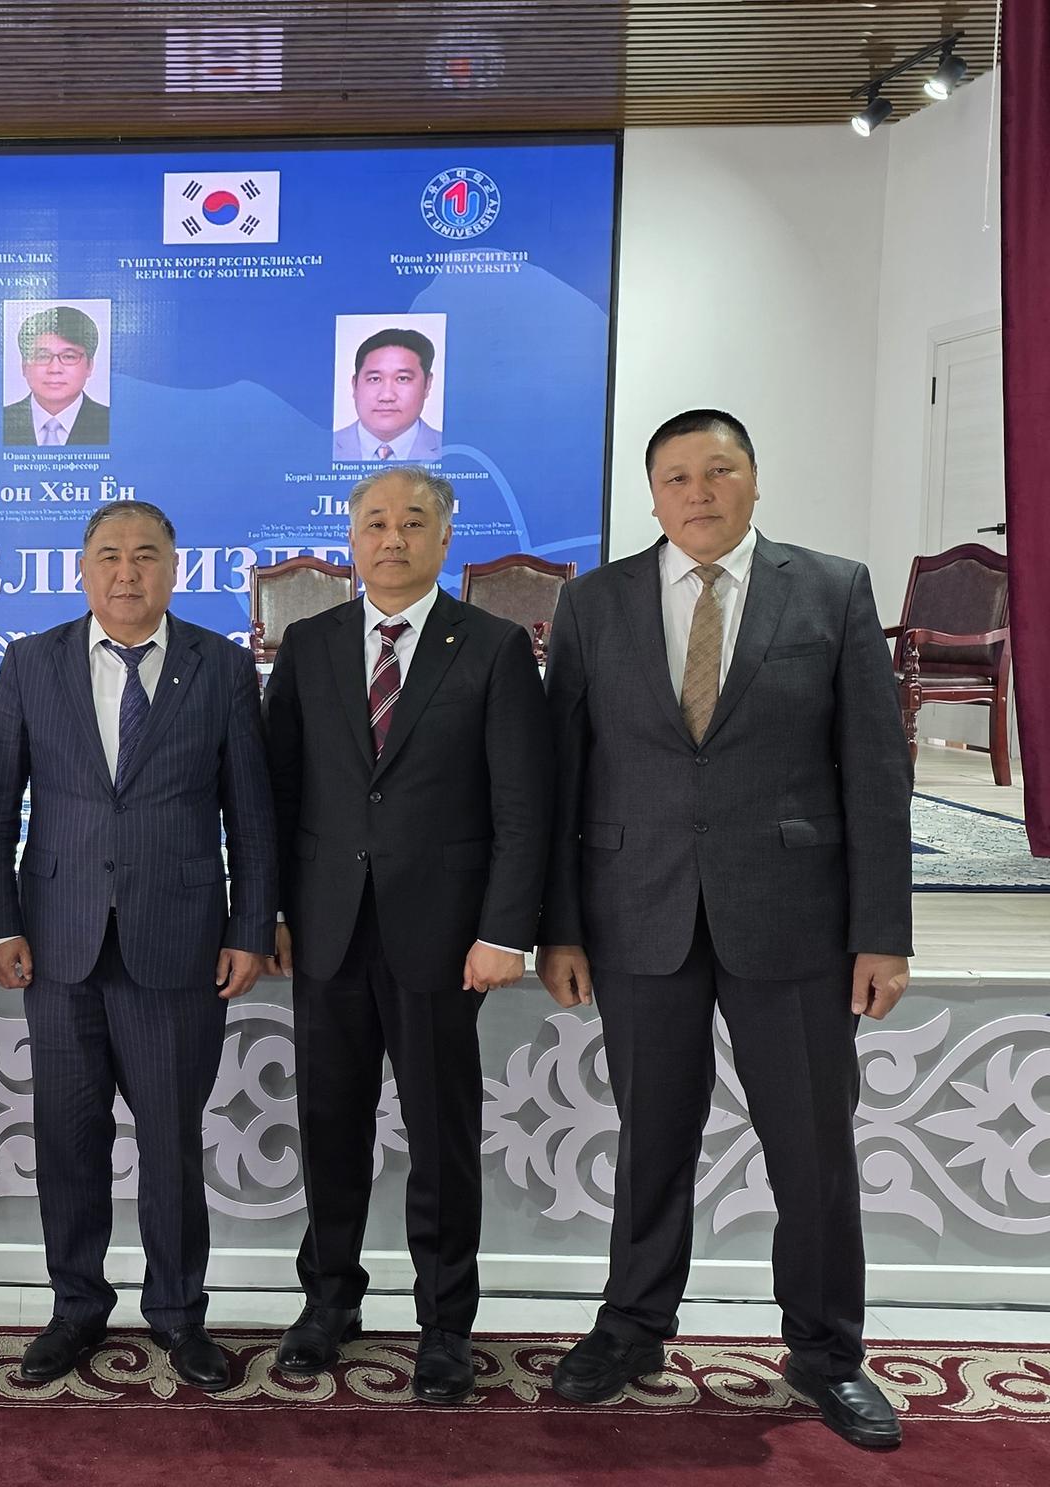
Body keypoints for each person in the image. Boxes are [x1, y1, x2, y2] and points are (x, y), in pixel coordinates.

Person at [537, 409, 913, 1449]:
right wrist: (559, 927)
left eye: (718, 471)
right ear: (652, 495)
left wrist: (883, 930)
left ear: (754, 479)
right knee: (651, 1137)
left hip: (794, 917)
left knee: (811, 1145)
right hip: (636, 910)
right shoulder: (596, 601)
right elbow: (564, 772)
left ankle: (827, 1351)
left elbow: (876, 770)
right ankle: (632, 1326)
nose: (698, 492)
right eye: (677, 477)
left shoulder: (831, 589)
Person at [260, 466, 551, 1403]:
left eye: (413, 522)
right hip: (328, 930)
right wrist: (272, 911)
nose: (393, 538)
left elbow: (522, 804)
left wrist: (505, 929)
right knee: (329, 1128)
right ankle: (328, 1300)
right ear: (352, 538)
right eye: (376, 523)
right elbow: (277, 794)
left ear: (445, 536)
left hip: (444, 937)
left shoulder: (495, 647)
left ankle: (445, 1322)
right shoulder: (310, 645)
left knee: (440, 1136)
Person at [0, 499, 274, 1392]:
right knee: (67, 1139)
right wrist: (0, 921)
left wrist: (250, 927)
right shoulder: (32, 662)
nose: (127, 571)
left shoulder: (220, 665)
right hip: (57, 944)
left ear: (175, 569)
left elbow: (252, 813)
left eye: (146, 555)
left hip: (178, 943)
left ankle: (179, 1313)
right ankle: (75, 1306)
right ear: (82, 568)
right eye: (109, 554)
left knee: (172, 1141)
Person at [2, 306, 111, 447]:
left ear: (89, 365)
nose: (54, 369)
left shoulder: (112, 422)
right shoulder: (1, 421)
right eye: (42, 356)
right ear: (24, 366)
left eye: (69, 356)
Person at [332, 328, 443, 462]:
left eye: (402, 379)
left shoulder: (449, 448)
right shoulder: (323, 447)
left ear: (427, 384)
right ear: (355, 385)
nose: (386, 396)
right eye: (375, 379)